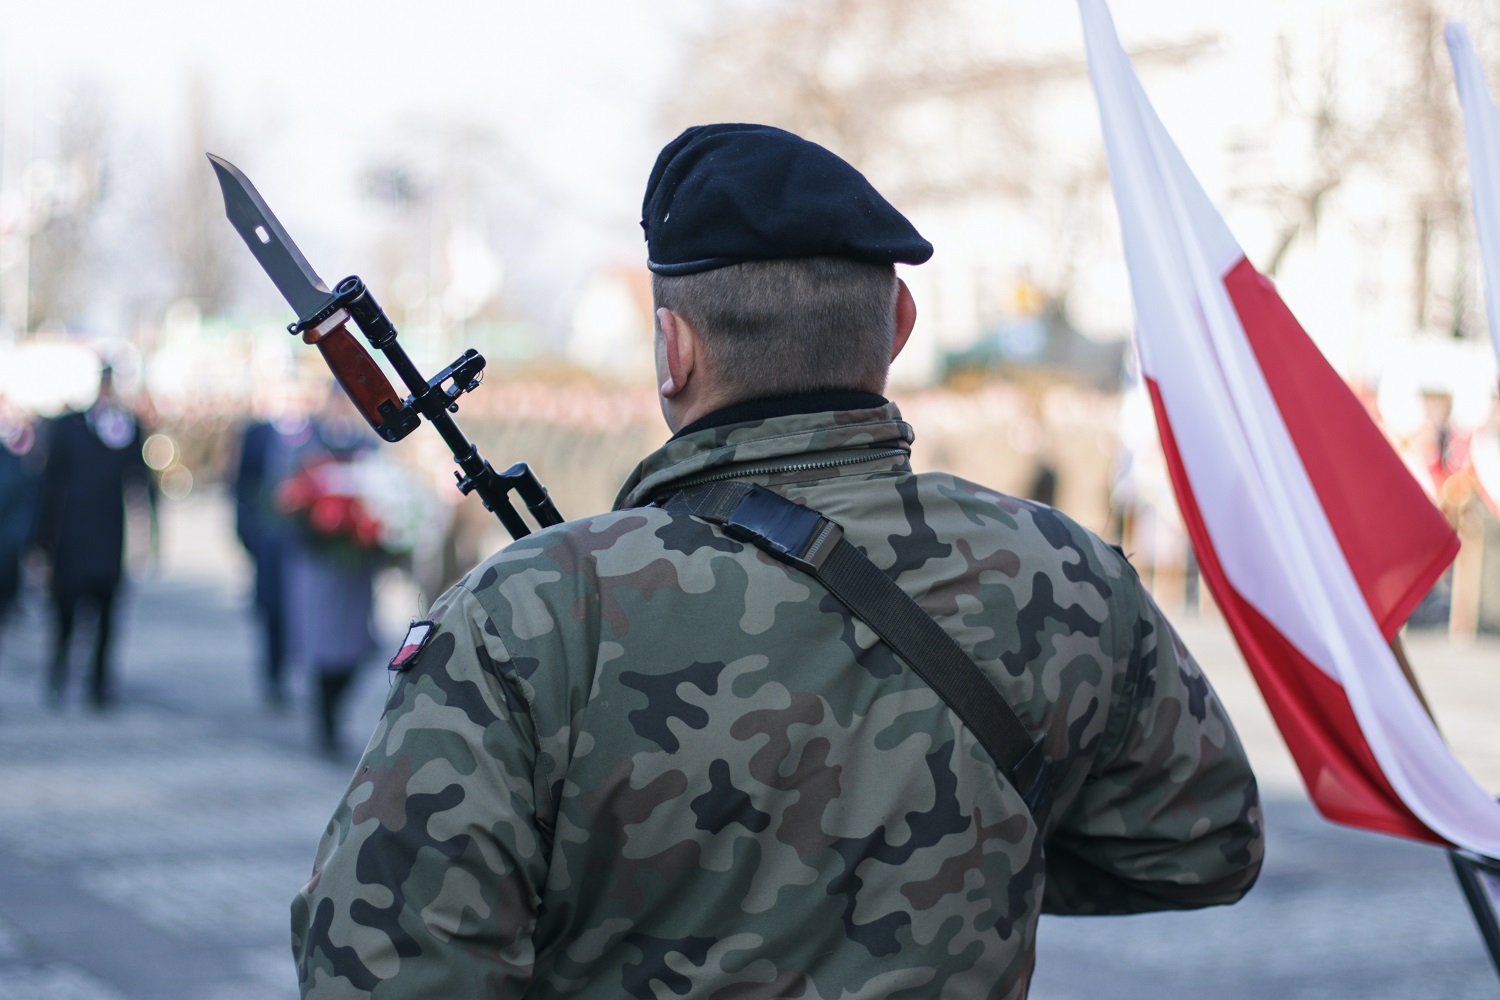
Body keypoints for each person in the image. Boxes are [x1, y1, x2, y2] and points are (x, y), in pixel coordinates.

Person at [292, 124, 1263, 999]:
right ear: (900, 326)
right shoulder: (1063, 573)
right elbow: (1203, 842)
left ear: (671, 347)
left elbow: (379, 966)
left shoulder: (536, 610)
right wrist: (961, 859)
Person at [35, 363, 154, 710]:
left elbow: (141, 486)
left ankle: (99, 684)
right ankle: (59, 675)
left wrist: (148, 540)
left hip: (109, 538)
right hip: (71, 539)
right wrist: (42, 541)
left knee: (106, 617)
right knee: (65, 617)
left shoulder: (128, 429)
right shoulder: (68, 429)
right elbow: (49, 485)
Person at [279, 385, 379, 754]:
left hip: (355, 564)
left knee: (356, 645)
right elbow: (288, 496)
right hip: (319, 560)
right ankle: (325, 722)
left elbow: (382, 492)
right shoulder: (308, 445)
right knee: (323, 642)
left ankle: (335, 710)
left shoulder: (368, 446)